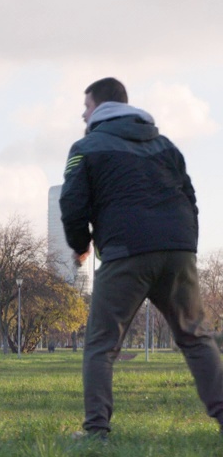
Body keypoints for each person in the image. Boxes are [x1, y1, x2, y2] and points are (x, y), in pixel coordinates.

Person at [59, 77, 223, 437]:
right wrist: (184, 244)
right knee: (196, 337)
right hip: (178, 250)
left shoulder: (87, 146)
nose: (82, 115)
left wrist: (80, 244)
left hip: (124, 253)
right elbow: (190, 198)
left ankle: (96, 431)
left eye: (85, 108)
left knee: (102, 344)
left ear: (98, 108)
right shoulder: (165, 145)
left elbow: (72, 203)